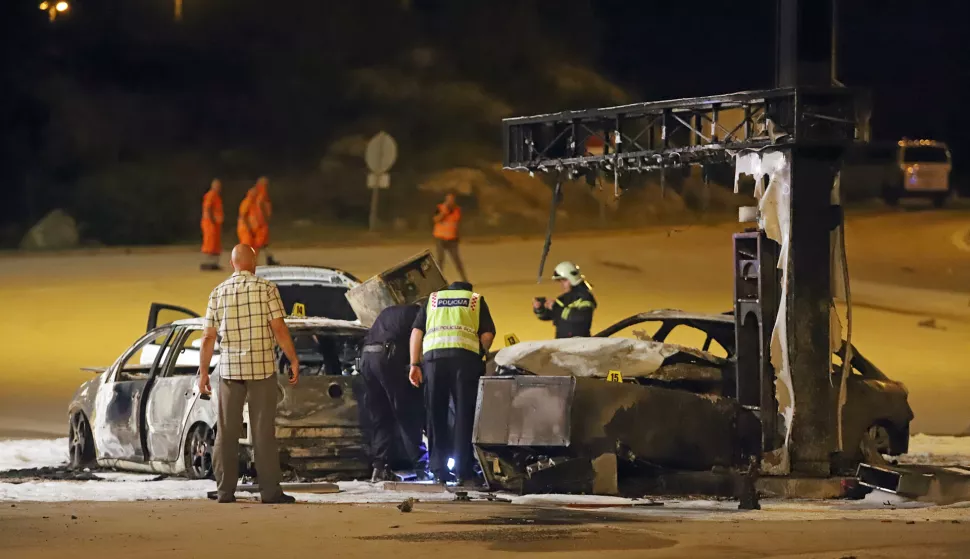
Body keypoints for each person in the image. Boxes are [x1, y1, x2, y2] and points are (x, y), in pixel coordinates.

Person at [197, 244, 300, 504]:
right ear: (254, 264)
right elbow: (279, 328)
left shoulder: (217, 292)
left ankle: (224, 492)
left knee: (226, 433)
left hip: (230, 372)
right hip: (261, 369)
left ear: (232, 264)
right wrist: (293, 358)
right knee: (263, 432)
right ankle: (270, 492)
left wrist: (203, 373)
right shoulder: (267, 289)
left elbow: (208, 337)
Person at [409, 281, 495, 486]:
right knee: (464, 414)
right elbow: (487, 334)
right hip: (465, 361)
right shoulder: (475, 300)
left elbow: (416, 332)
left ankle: (438, 471)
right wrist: (481, 353)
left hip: (433, 361)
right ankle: (463, 472)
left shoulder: (433, 299)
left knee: (435, 414)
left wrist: (414, 363)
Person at [360, 302, 429, 482]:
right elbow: (420, 340)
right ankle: (422, 466)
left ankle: (379, 468)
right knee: (406, 412)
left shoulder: (389, 311)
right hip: (388, 356)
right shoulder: (422, 312)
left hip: (367, 358)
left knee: (381, 416)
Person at [533, 261, 597, 338]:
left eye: (564, 280)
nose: (561, 284)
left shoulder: (584, 297)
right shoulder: (564, 298)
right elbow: (551, 315)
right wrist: (540, 309)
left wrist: (556, 308)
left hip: (578, 343)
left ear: (572, 279)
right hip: (563, 342)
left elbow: (582, 317)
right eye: (560, 281)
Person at [432, 192, 467, 282]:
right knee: (440, 260)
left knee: (457, 260)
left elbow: (457, 223)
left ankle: (464, 280)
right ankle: (438, 281)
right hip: (440, 238)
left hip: (452, 239)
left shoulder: (457, 209)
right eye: (448, 199)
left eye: (452, 199)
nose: (450, 201)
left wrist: (458, 236)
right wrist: (444, 212)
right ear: (445, 200)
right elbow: (435, 220)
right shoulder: (440, 208)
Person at [251, 177, 279, 266]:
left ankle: (269, 258)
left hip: (259, 221)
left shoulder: (257, 192)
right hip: (261, 222)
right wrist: (265, 216)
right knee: (260, 243)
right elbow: (260, 204)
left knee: (264, 242)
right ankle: (254, 260)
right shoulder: (262, 192)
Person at [200, 179, 224, 271]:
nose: (219, 188)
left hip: (215, 224)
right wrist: (212, 220)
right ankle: (207, 263)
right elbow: (208, 208)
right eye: (217, 186)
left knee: (216, 243)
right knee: (210, 243)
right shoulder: (211, 195)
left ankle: (214, 263)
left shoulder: (217, 196)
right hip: (210, 224)